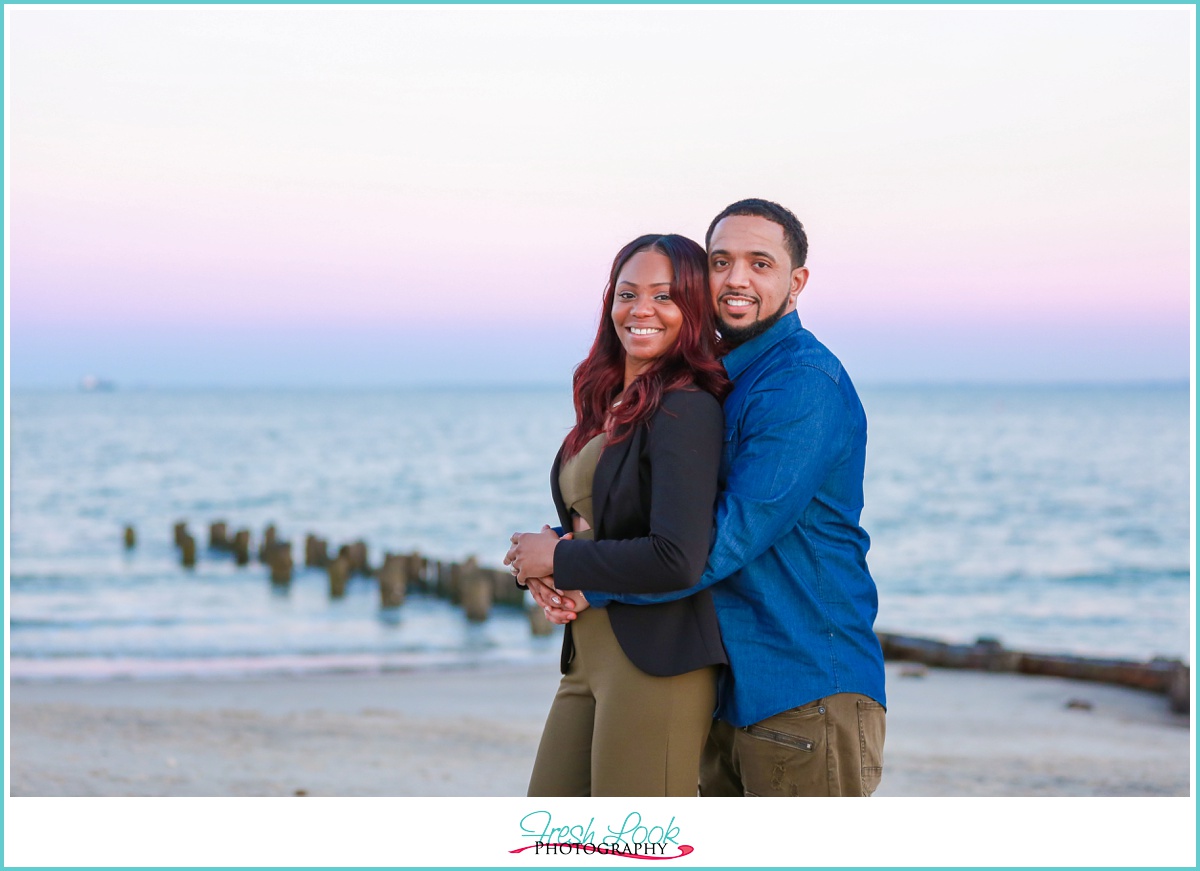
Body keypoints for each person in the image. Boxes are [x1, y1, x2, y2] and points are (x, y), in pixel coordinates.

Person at [538, 199, 887, 797]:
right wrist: (561, 550)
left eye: (760, 263)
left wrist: (574, 571)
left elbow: (720, 542)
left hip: (800, 684)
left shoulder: (800, 382)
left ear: (796, 282)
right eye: (721, 261)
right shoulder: (719, 379)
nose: (736, 279)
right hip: (725, 686)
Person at [505, 233, 731, 797]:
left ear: (694, 310)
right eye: (627, 293)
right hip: (588, 655)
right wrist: (545, 563)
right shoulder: (611, 405)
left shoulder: (687, 406)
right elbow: (610, 522)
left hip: (657, 663)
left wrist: (562, 557)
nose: (641, 310)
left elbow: (676, 558)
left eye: (665, 295)